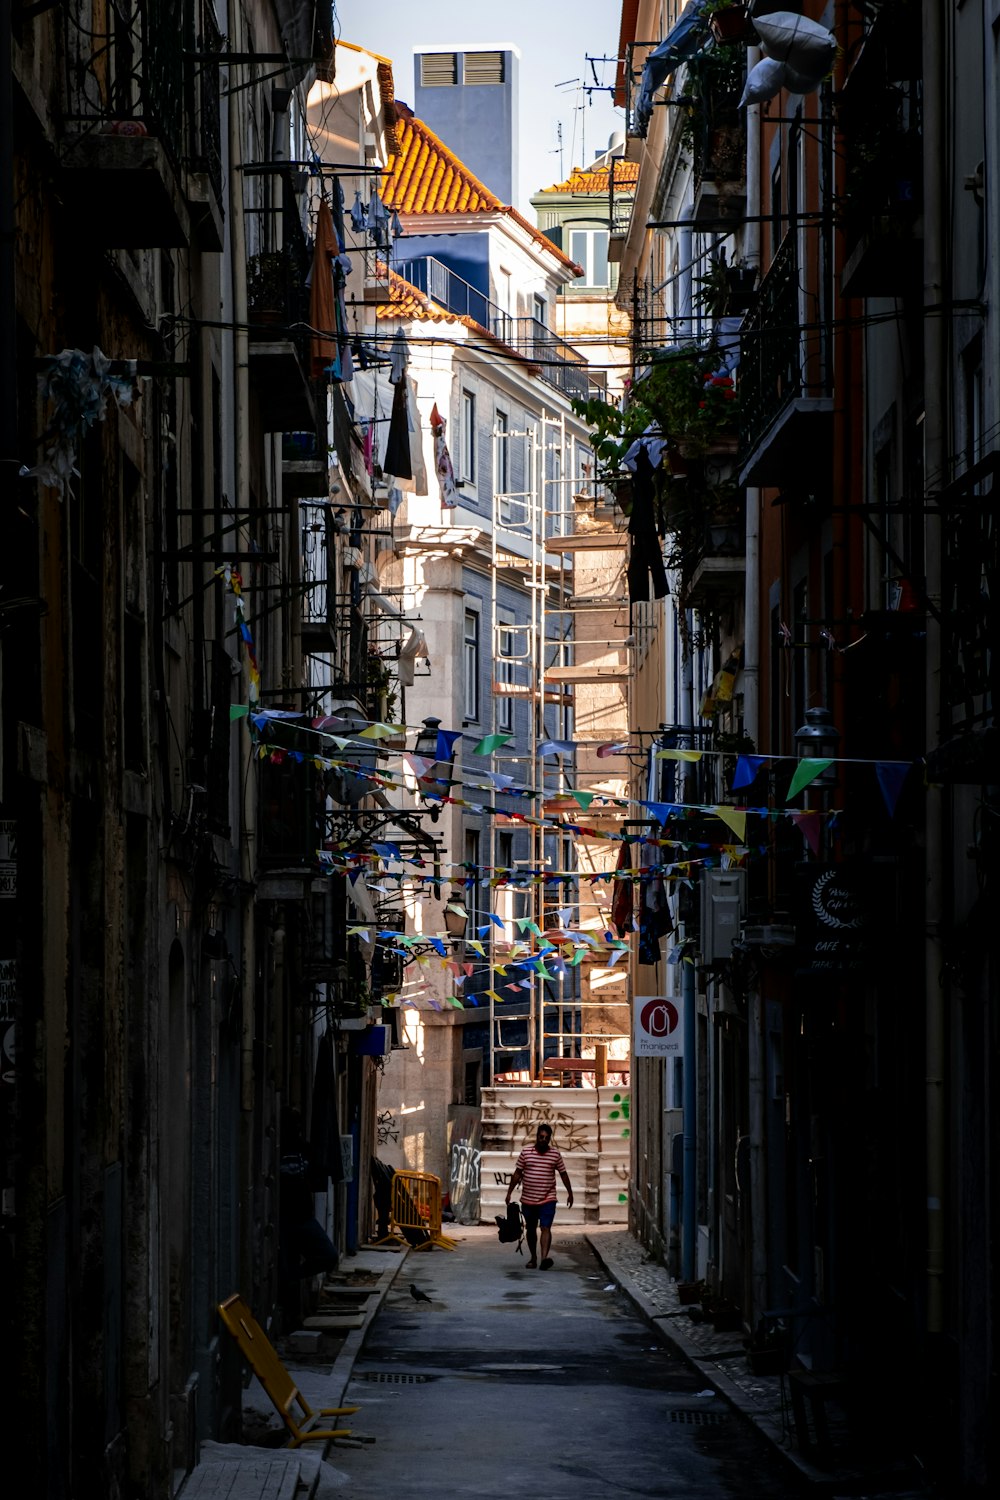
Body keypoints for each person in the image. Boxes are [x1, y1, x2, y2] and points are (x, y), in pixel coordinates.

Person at [505, 1122, 573, 1270]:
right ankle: (533, 1258)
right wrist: (509, 1192)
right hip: (528, 1199)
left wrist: (570, 1193)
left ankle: (544, 1258)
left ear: (549, 1139)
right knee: (530, 1229)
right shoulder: (526, 1153)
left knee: (545, 1227)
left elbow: (563, 1174)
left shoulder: (555, 1154)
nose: (543, 1140)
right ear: (537, 1137)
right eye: (541, 1137)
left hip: (548, 1198)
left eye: (546, 1138)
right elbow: (517, 1174)